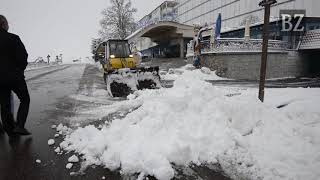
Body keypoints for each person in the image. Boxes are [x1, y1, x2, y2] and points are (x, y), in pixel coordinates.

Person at [0, 15, 31, 136]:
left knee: (4, 104)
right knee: (25, 99)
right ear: (3, 24)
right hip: (15, 77)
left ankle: (9, 130)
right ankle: (20, 125)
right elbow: (23, 57)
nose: (8, 25)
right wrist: (19, 70)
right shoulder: (13, 38)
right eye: (7, 23)